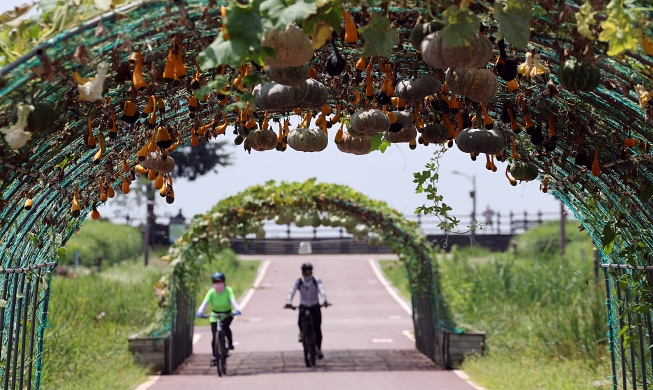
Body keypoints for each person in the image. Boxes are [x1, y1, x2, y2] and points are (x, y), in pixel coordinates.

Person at [284, 262, 329, 359]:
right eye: (305, 272)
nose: (307, 274)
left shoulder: (316, 281)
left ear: (312, 272)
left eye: (309, 271)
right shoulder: (299, 282)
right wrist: (288, 302)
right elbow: (292, 291)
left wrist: (325, 301)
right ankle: (302, 333)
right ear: (302, 272)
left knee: (317, 328)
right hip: (304, 306)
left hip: (315, 306)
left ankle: (319, 349)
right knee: (300, 322)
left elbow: (322, 290)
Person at [196, 272, 241, 366]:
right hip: (215, 315)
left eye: (220, 282)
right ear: (213, 283)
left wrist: (237, 309)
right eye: (216, 282)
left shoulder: (228, 290)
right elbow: (205, 303)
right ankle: (214, 356)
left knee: (226, 327)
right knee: (214, 336)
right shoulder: (211, 292)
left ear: (224, 282)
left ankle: (229, 343)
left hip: (227, 314)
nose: (218, 284)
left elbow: (233, 301)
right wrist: (200, 312)